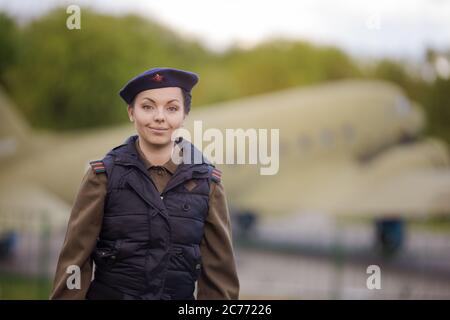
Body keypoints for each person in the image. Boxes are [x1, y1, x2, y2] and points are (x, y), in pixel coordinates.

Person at [50, 67, 239, 300]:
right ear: (131, 112)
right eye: (148, 107)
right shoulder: (102, 177)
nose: (159, 117)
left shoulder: (207, 182)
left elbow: (219, 276)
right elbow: (74, 263)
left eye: (172, 108)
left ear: (184, 115)